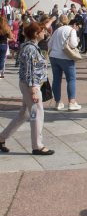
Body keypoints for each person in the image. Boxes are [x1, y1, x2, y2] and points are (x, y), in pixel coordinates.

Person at [0, 21, 54, 155]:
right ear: (36, 34)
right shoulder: (30, 48)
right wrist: (33, 90)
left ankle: (1, 138)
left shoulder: (31, 46)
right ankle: (37, 146)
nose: (44, 33)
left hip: (30, 85)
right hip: (32, 86)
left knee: (24, 114)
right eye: (42, 31)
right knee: (37, 114)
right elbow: (29, 71)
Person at [47, 17, 82, 111]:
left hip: (54, 56)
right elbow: (73, 44)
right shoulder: (72, 30)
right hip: (66, 57)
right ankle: (72, 102)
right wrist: (77, 41)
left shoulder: (57, 30)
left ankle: (58, 102)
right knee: (71, 79)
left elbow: (49, 44)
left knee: (56, 79)